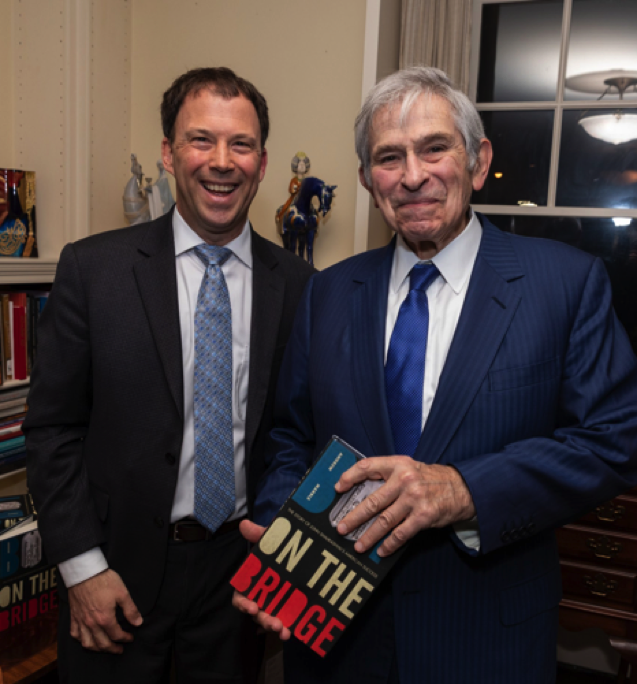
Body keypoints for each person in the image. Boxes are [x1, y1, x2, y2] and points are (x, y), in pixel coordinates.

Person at [233, 66, 637, 683]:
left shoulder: (565, 283)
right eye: (389, 157)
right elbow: (291, 437)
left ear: (478, 162)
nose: (414, 176)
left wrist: (463, 490)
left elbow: (614, 440)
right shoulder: (329, 293)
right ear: (369, 182)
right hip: (335, 636)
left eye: (434, 148)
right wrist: (281, 536)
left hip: (484, 636)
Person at [24, 67, 314, 684]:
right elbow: (52, 431)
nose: (221, 161)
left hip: (238, 581)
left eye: (241, 145)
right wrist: (80, 567)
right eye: (200, 139)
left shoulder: (298, 286)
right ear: (168, 153)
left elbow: (299, 431)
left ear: (262, 164)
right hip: (114, 575)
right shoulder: (93, 270)